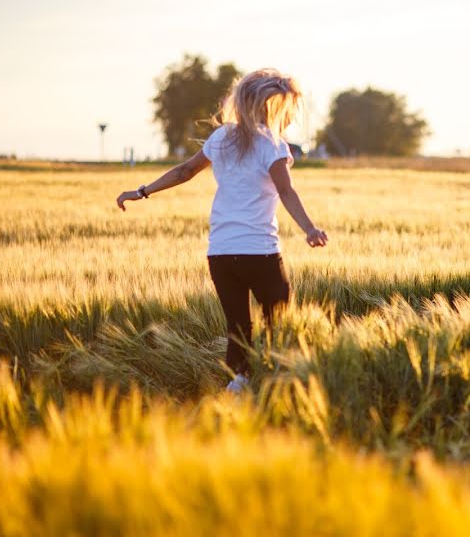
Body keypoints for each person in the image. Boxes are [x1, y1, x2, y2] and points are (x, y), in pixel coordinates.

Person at [116, 69, 327, 392]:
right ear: (273, 104)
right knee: (279, 324)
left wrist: (141, 191)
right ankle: (277, 387)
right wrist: (309, 228)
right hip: (260, 252)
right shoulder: (273, 145)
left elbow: (185, 171)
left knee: (238, 328)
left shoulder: (221, 138)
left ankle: (238, 387)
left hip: (221, 254)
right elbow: (286, 191)